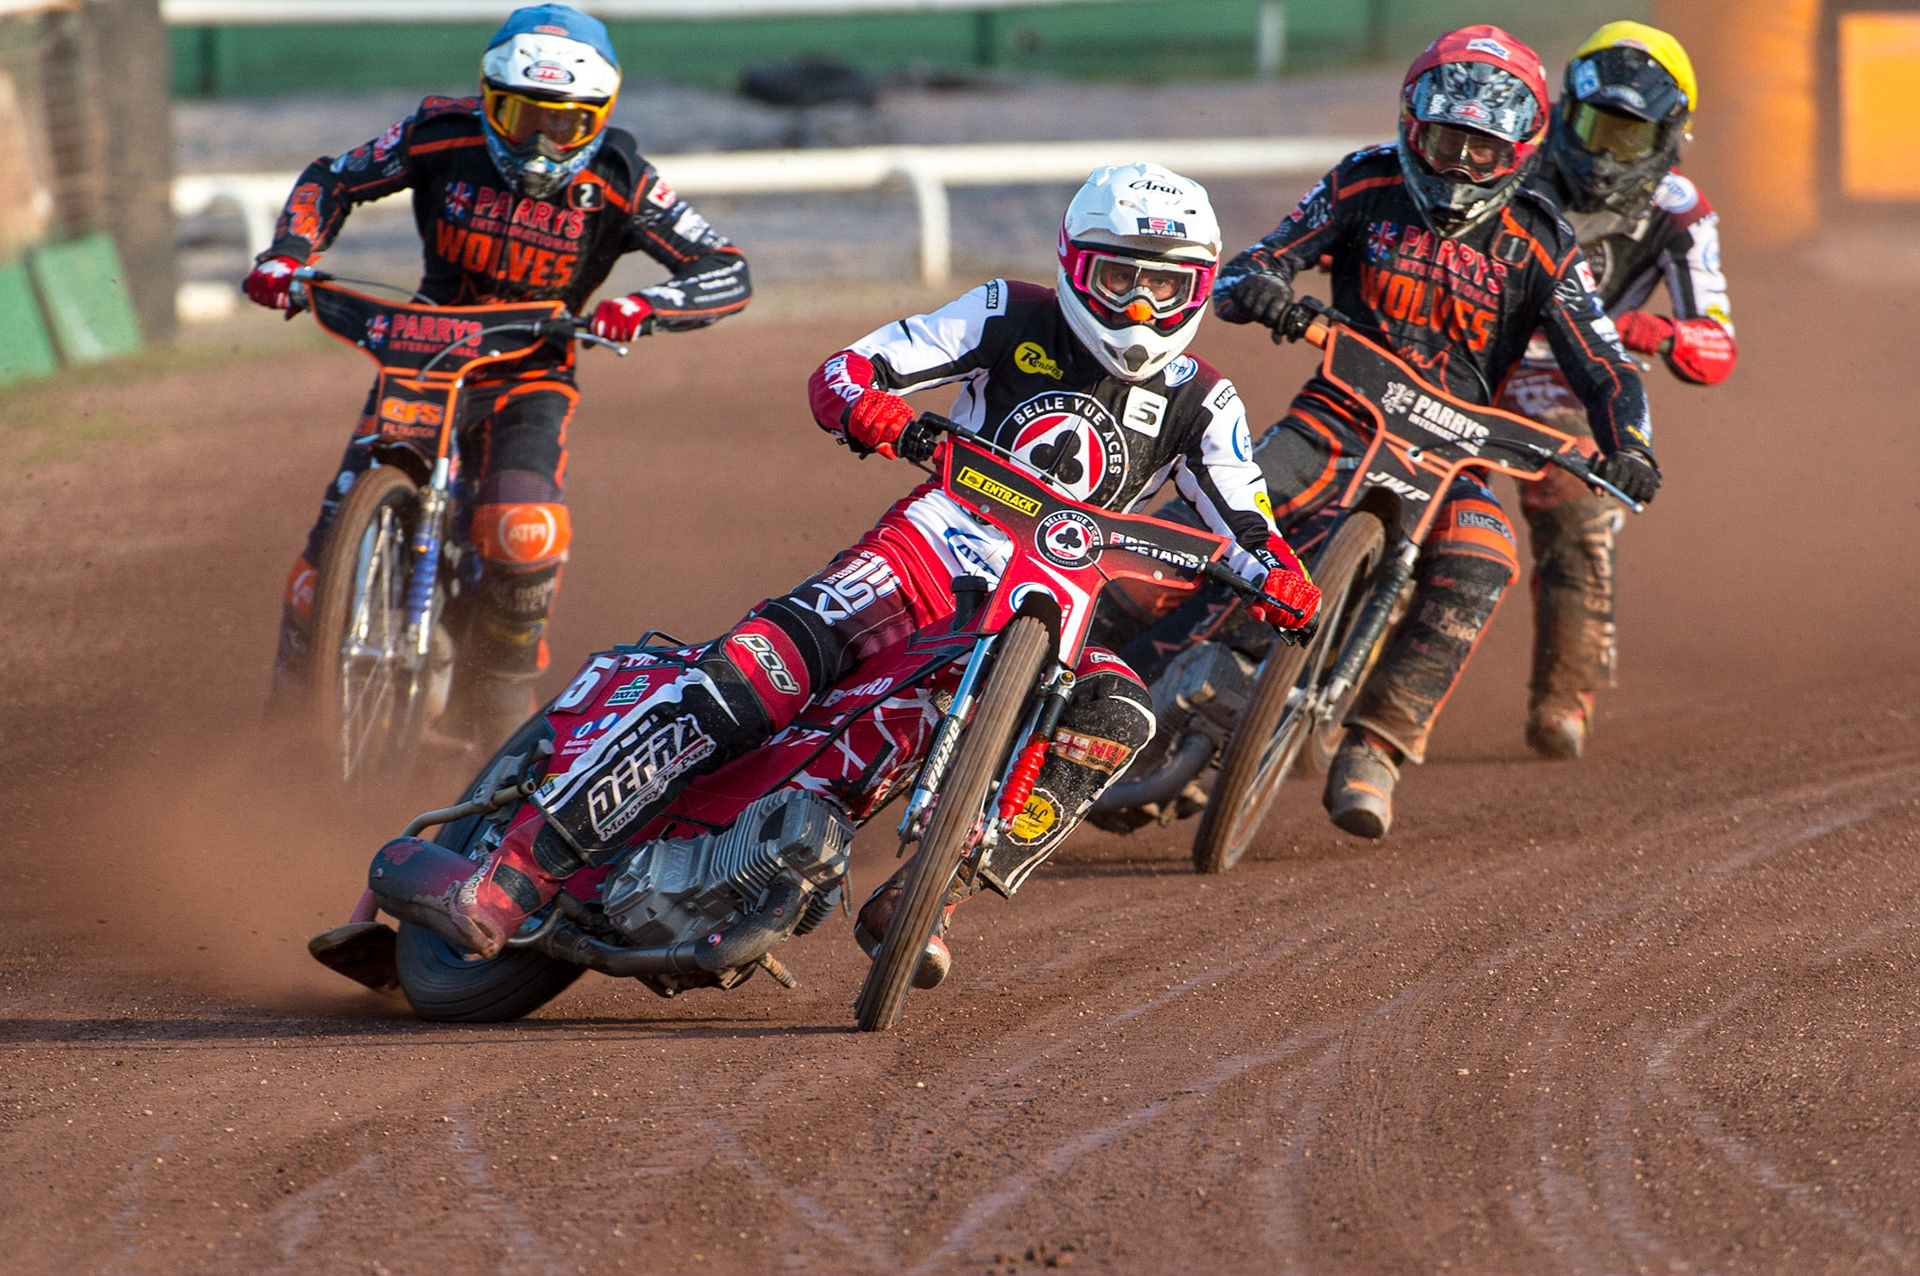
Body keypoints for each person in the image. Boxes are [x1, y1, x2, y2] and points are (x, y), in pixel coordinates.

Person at [432, 165, 1321, 982]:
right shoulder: (1009, 309)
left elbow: (1246, 520)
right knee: (753, 678)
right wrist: (883, 416)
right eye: (1119, 278)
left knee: (1117, 714)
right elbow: (852, 368)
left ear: (1198, 291)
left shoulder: (1206, 401)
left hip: (1056, 606)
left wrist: (1284, 579)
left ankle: (935, 889)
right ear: (1073, 265)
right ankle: (512, 872)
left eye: (1164, 286)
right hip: (933, 544)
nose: (1137, 307)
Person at [247, 4, 751, 743]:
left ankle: (497, 705)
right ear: (488, 101)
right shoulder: (439, 132)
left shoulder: (622, 177)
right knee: (317, 577)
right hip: (419, 355)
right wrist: (289, 254)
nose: (543, 147)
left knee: (524, 530)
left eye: (567, 125)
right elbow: (335, 177)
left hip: (529, 372)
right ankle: (287, 732)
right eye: (520, 118)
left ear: (600, 118)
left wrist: (642, 306)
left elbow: (725, 267)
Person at [1205, 25, 1659, 838]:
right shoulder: (1363, 181)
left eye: (1481, 152)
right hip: (1333, 418)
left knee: (1483, 560)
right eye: (1446, 141)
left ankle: (1377, 744)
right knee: (1229, 505)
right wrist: (1264, 290)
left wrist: (1631, 446)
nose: (1458, 167)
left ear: (1519, 151)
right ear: (1415, 128)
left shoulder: (1545, 239)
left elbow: (1608, 366)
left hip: (1454, 454)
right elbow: (1253, 263)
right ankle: (1106, 656)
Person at [1505, 21, 1733, 758]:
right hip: (1468, 356)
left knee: (1577, 513)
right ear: (1564, 112)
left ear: (1667, 138)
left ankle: (1563, 697)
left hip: (1577, 380)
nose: (1604, 153)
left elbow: (1717, 346)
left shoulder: (1681, 212)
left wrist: (1661, 334)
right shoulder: (1509, 163)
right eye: (1593, 126)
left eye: (1628, 137)